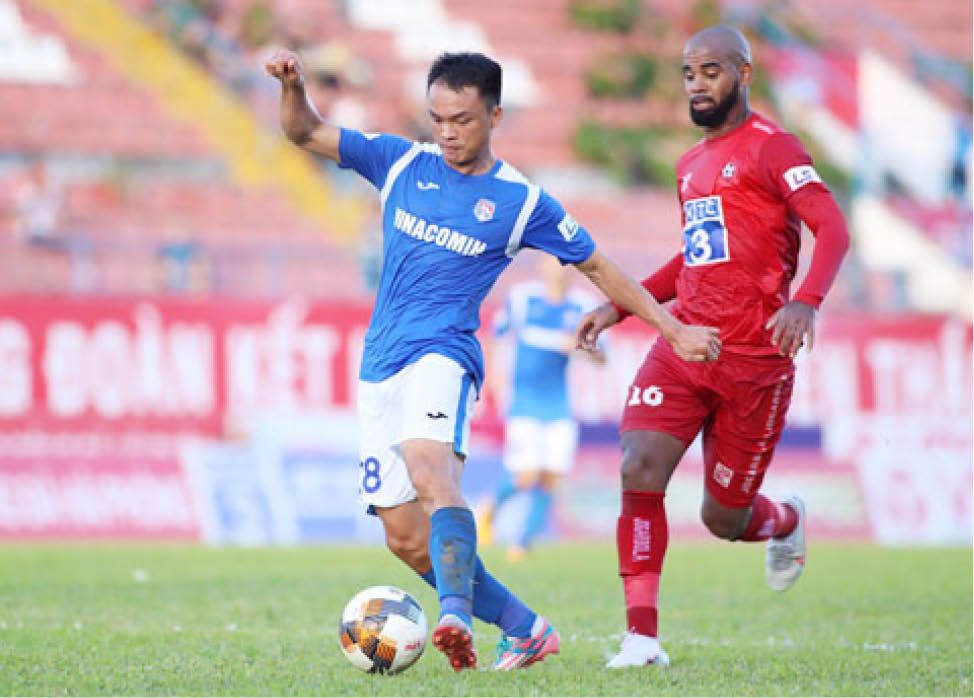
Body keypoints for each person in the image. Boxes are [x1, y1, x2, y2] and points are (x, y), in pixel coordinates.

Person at [265, 49, 721, 672]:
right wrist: (292, 86)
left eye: (462, 120)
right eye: (437, 119)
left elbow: (597, 264)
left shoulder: (521, 201)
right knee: (404, 536)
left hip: (443, 354)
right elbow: (304, 132)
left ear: (495, 116)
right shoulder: (400, 162)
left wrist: (672, 327)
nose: (447, 133)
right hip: (380, 365)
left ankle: (453, 614)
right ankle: (526, 629)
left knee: (431, 470)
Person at [576, 26, 850, 668]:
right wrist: (620, 305)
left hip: (755, 362)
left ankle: (785, 520)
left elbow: (833, 227)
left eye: (711, 71)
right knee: (638, 467)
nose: (697, 85)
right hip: (686, 344)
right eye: (689, 73)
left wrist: (806, 300)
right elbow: (693, 261)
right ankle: (642, 639)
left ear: (743, 74)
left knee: (723, 519)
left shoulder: (774, 147)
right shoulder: (689, 165)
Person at [477, 255, 605, 563]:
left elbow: (602, 358)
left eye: (564, 263)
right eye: (552, 262)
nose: (558, 268)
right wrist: (494, 377)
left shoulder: (583, 306)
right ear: (542, 267)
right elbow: (496, 335)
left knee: (550, 477)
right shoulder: (524, 298)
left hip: (559, 404)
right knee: (526, 475)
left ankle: (522, 543)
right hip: (524, 400)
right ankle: (490, 509)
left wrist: (581, 347)